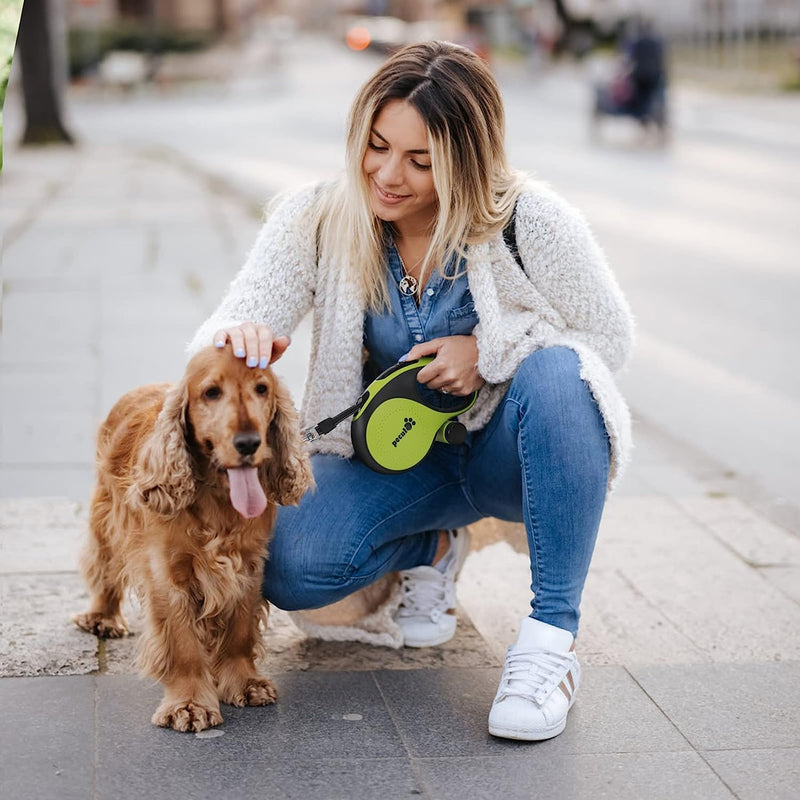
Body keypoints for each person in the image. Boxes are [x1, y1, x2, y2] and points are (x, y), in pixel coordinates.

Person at [188, 40, 634, 742]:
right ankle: (431, 551)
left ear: (467, 161)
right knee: (289, 566)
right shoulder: (319, 216)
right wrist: (240, 336)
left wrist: (489, 352)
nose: (388, 175)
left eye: (420, 161)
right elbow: (233, 317)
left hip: (505, 458)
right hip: (390, 459)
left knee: (559, 369)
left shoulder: (529, 220)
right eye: (376, 146)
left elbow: (610, 340)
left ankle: (550, 644)